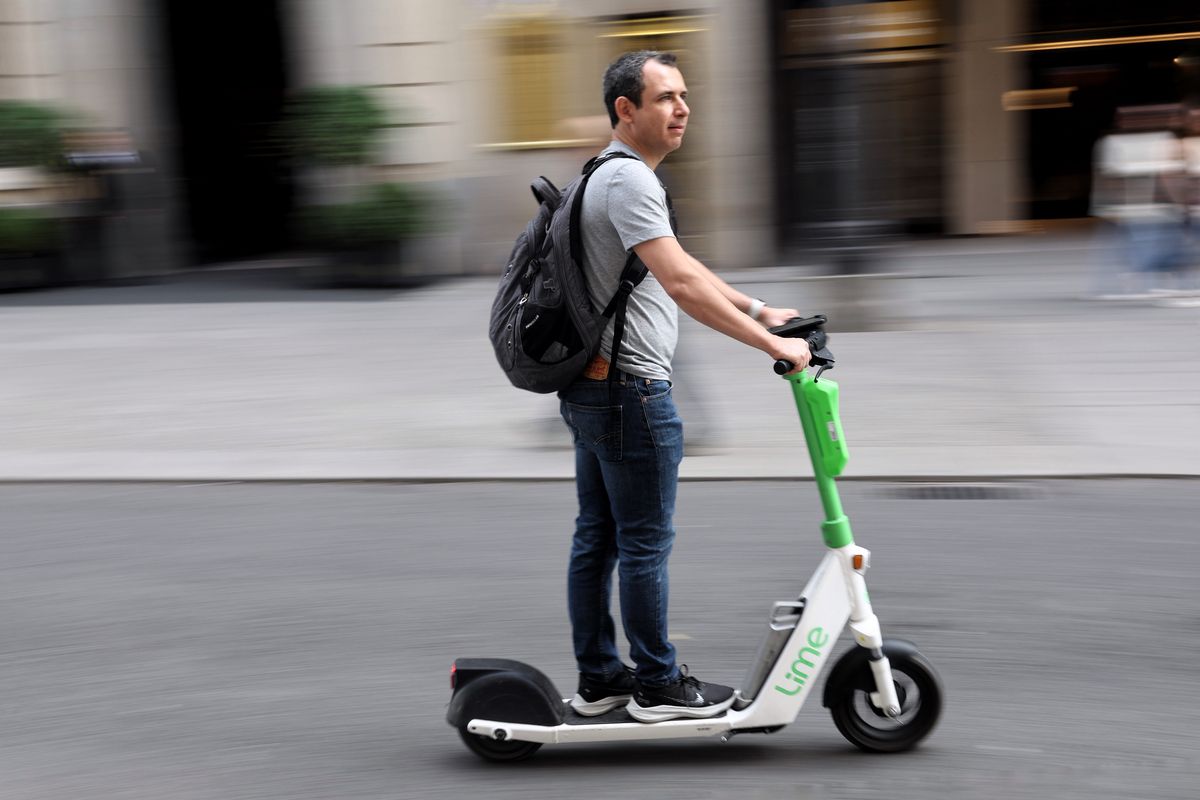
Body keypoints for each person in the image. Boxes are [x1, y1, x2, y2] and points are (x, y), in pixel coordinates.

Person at [559, 50, 812, 724]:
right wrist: (774, 347)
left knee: (599, 538)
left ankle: (600, 680)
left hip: (594, 389)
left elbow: (680, 264)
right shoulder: (629, 182)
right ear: (626, 109)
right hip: (632, 393)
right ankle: (657, 685)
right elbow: (682, 286)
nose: (682, 108)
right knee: (641, 543)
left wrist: (758, 309)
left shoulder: (602, 175)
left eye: (684, 95)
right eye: (666, 96)